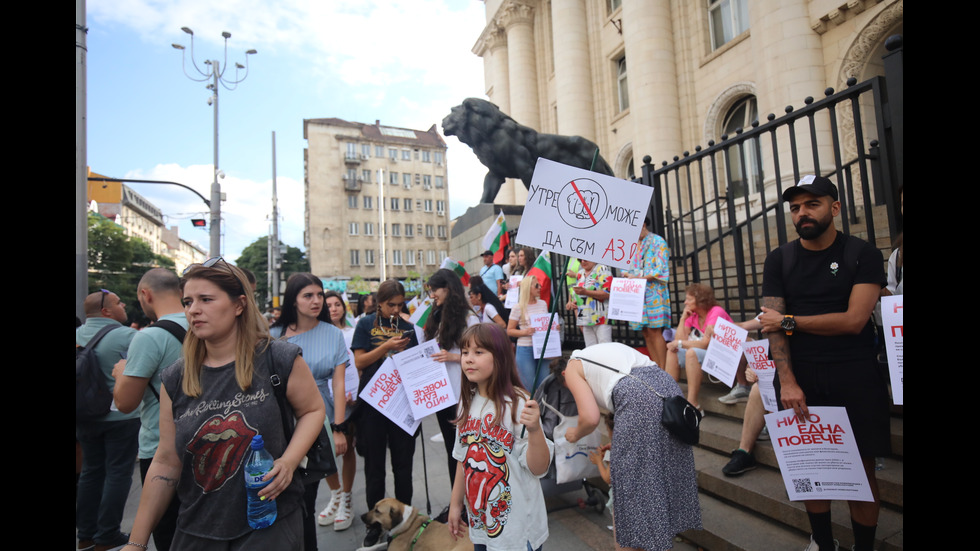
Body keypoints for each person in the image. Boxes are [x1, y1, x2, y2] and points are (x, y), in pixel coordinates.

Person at [126, 259, 325, 550]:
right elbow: (167, 460)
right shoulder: (175, 377)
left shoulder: (279, 358)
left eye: (206, 299)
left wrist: (288, 461)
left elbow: (312, 410)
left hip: (268, 524)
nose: (194, 309)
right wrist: (136, 542)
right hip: (196, 529)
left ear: (239, 305)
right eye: (188, 301)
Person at [759, 175, 887, 551]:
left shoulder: (863, 253)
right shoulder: (779, 259)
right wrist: (787, 381)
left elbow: (854, 321)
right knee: (811, 468)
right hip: (801, 376)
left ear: (834, 208)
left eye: (811, 204)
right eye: (795, 207)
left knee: (860, 469)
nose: (802, 213)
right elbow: (772, 327)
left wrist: (790, 322)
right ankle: (823, 543)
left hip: (856, 374)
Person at [552, 342, 702, 551]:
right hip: (668, 390)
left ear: (563, 376)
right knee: (662, 479)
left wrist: (575, 433)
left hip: (638, 397)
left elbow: (590, 417)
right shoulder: (597, 352)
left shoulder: (573, 367)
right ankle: (659, 540)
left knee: (630, 493)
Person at [448, 323, 553, 551]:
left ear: (501, 357)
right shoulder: (465, 403)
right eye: (465, 352)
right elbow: (462, 459)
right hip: (481, 526)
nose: (468, 359)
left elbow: (538, 468)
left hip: (517, 532)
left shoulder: (518, 403)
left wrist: (535, 430)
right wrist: (455, 505)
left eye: (478, 352)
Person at [270, 274, 356, 540]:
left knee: (309, 487)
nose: (317, 301)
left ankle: (339, 502)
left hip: (321, 414)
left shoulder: (332, 333)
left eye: (319, 294)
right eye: (308, 295)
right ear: (293, 301)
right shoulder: (274, 335)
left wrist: (338, 427)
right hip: (282, 417)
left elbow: (339, 384)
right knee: (288, 492)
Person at [111, 268, 187, 551]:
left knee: (170, 536)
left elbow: (125, 403)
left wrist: (121, 374)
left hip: (160, 449)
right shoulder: (208, 325)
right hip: (210, 442)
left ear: (145, 294)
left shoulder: (148, 337)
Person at [351, 279, 420, 551]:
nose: (395, 309)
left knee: (404, 466)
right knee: (374, 468)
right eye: (390, 304)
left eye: (400, 305)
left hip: (402, 404)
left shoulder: (409, 327)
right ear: (378, 302)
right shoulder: (366, 324)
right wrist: (386, 348)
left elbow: (416, 363)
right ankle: (374, 524)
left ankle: (405, 522)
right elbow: (359, 361)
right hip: (372, 405)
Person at [76, 290, 139, 551]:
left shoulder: (77, 335)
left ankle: (85, 534)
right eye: (118, 302)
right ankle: (108, 534)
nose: (123, 305)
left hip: (84, 415)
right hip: (120, 416)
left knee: (90, 471)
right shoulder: (128, 336)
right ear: (106, 311)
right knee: (118, 472)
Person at [663, 283, 734, 411]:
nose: (685, 302)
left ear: (701, 300)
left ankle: (693, 403)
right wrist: (682, 319)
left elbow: (706, 344)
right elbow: (679, 340)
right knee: (672, 351)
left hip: (724, 356)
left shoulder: (716, 312)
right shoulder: (693, 315)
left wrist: (680, 343)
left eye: (689, 299)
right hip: (704, 354)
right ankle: (669, 397)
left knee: (691, 352)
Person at [627, 222, 671, 369]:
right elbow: (626, 268)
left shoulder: (658, 241)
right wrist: (628, 275)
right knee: (645, 331)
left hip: (654, 292)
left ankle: (664, 368)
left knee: (654, 329)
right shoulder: (632, 245)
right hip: (637, 293)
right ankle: (656, 366)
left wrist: (639, 278)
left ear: (643, 224)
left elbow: (661, 268)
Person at [507, 276, 551, 391]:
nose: (540, 287)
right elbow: (509, 330)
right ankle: (530, 407)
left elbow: (545, 324)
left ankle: (541, 408)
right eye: (537, 285)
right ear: (528, 288)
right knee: (528, 386)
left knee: (544, 383)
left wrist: (554, 327)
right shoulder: (518, 307)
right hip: (526, 348)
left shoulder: (542, 304)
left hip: (543, 347)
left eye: (540, 285)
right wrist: (526, 332)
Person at [565, 259, 612, 347]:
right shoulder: (581, 273)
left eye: (585, 259)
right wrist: (575, 303)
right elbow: (582, 296)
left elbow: (608, 293)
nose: (582, 262)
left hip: (601, 318)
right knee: (590, 350)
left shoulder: (602, 269)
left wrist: (586, 292)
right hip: (585, 319)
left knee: (605, 348)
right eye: (580, 260)